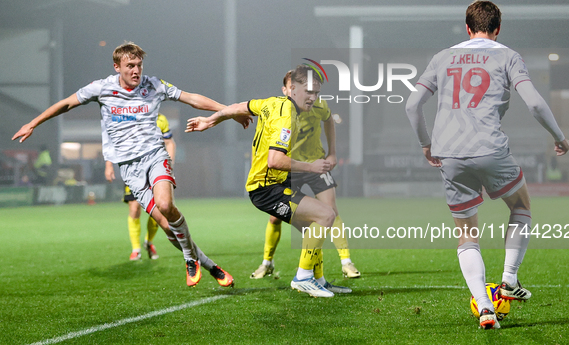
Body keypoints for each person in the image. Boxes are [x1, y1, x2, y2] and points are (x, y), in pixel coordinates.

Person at [13, 42, 250, 288]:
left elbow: (191, 98)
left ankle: (190, 258)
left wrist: (230, 111)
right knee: (166, 225)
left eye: (139, 65)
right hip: (129, 169)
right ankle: (212, 267)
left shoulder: (154, 85)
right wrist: (34, 123)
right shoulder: (101, 88)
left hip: (155, 156)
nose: (136, 70)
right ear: (117, 67)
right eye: (130, 66)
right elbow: (65, 104)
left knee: (166, 204)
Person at [405, 0, 569, 329]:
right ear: (497, 29)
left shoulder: (442, 57)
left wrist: (427, 144)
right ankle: (508, 280)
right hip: (490, 148)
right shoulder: (507, 55)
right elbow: (535, 104)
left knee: (466, 234)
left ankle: (484, 306)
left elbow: (412, 105)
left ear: (467, 28)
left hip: (449, 153)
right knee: (521, 205)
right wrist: (560, 137)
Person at [186, 64, 352, 297]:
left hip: (273, 185)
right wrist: (311, 166)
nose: (313, 98)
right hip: (267, 188)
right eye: (309, 92)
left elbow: (235, 107)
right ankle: (303, 278)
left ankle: (319, 280)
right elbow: (275, 160)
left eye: (317, 93)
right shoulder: (287, 115)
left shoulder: (271, 102)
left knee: (312, 227)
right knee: (326, 215)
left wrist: (210, 120)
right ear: (292, 88)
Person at [250, 70, 361, 280]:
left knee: (331, 211)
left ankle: (346, 261)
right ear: (287, 90)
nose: (312, 96)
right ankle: (267, 262)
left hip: (315, 163)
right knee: (275, 218)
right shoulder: (281, 110)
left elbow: (329, 121)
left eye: (314, 91)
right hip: (290, 167)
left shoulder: (318, 106)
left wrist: (332, 153)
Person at [105, 113, 176, 261]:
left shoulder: (161, 118)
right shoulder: (129, 116)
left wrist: (169, 163)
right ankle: (136, 249)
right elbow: (112, 140)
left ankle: (149, 242)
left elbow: (169, 142)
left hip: (155, 170)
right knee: (134, 208)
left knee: (158, 210)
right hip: (133, 169)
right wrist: (109, 164)